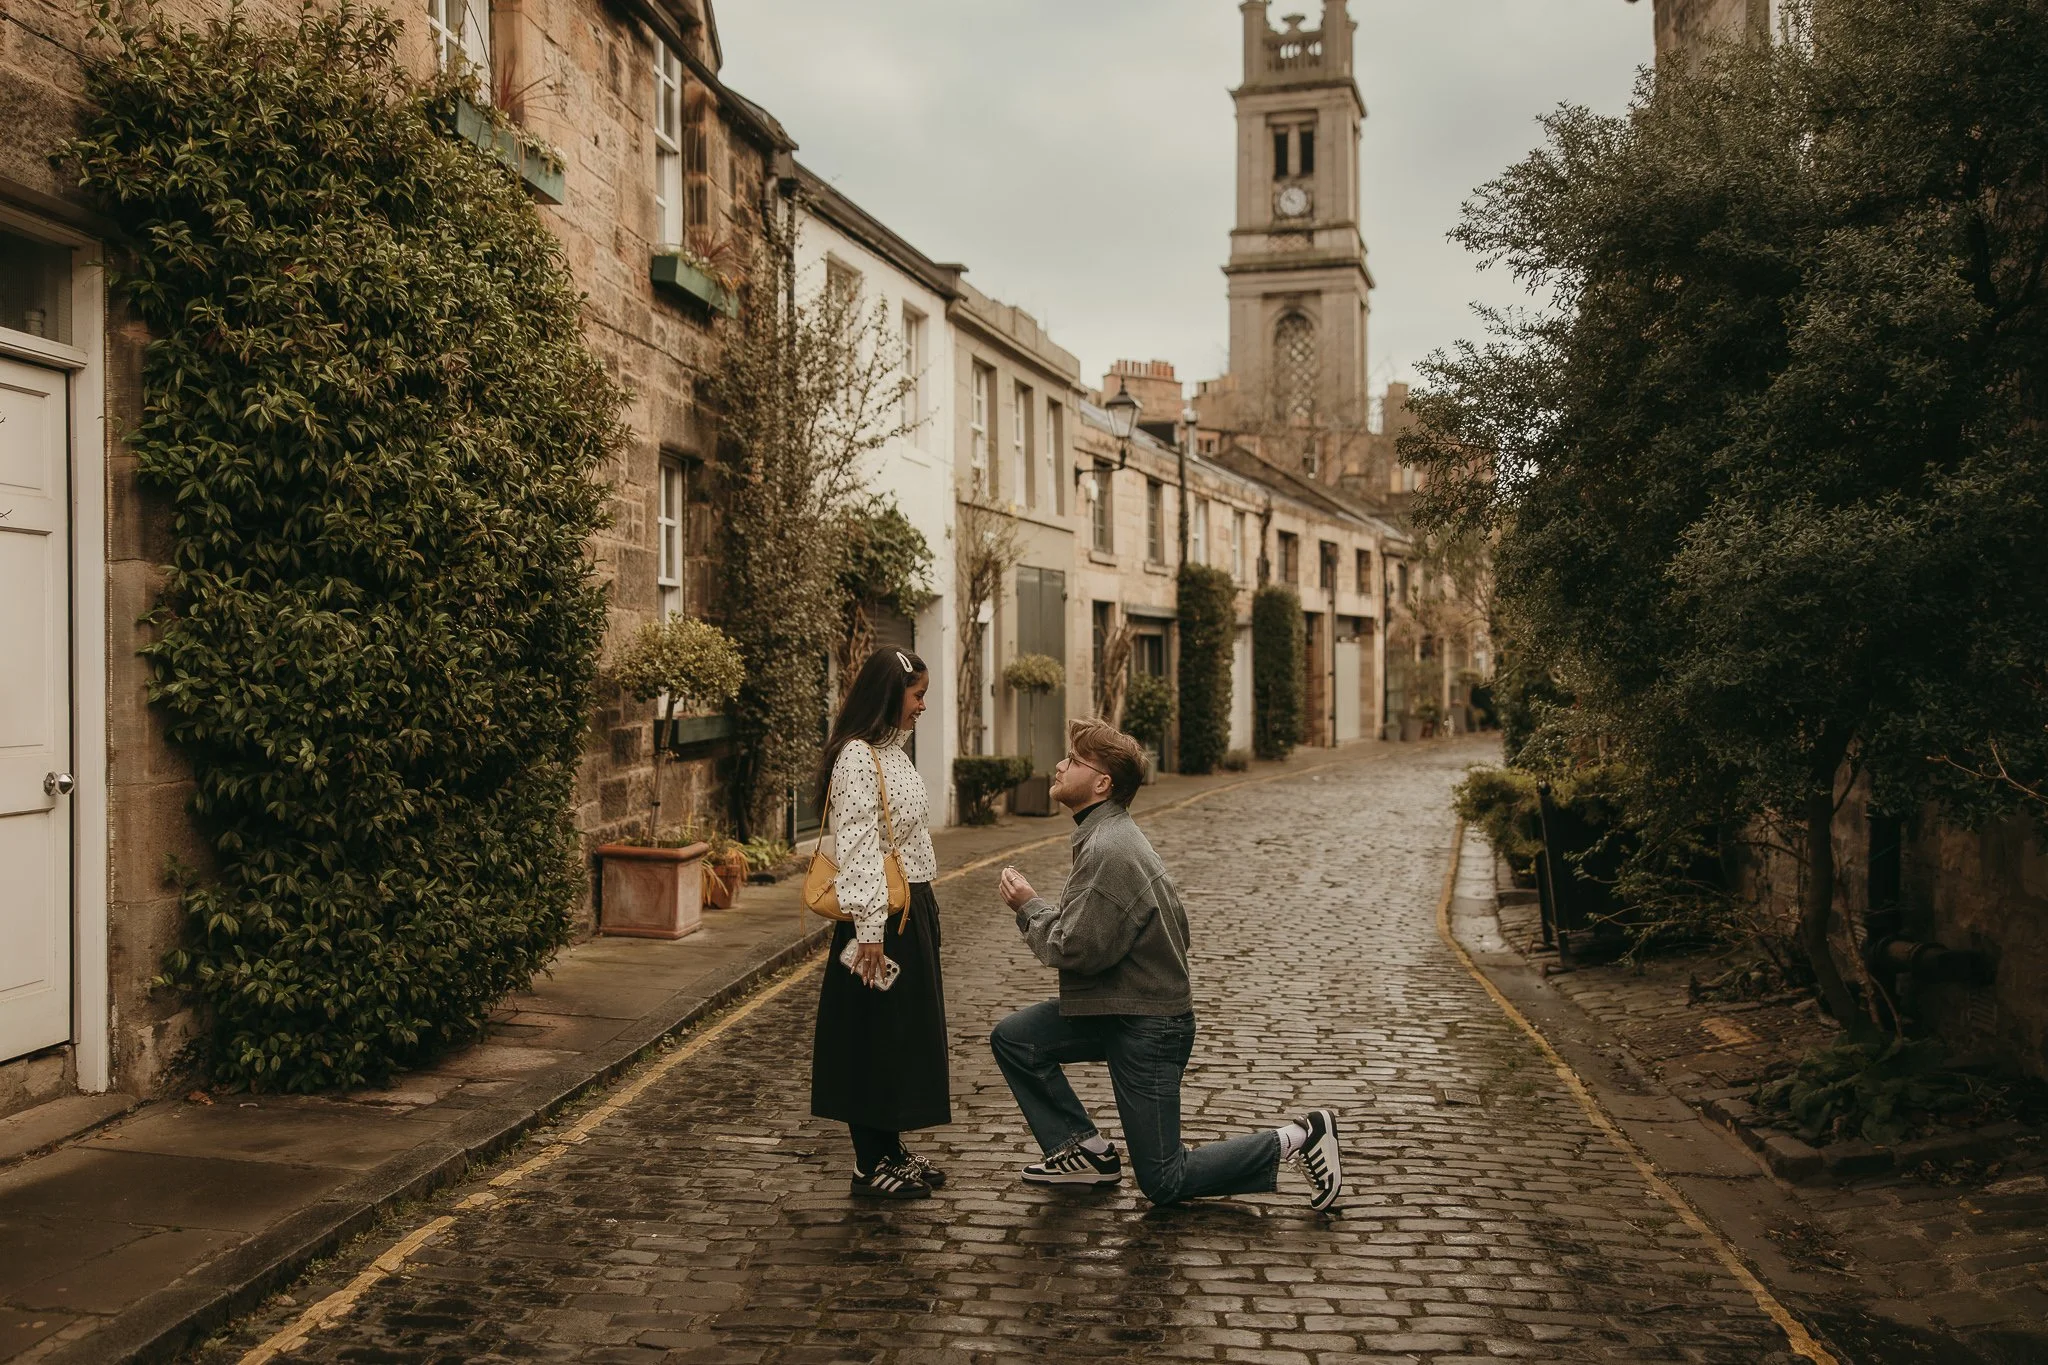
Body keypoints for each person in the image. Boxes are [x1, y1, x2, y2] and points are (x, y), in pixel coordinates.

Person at [990, 718, 1344, 1211]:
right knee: (1017, 1039)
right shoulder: (1104, 836)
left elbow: (1077, 950)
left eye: (1072, 760)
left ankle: (1300, 1137)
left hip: (1150, 1027)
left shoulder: (1111, 848)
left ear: (1101, 783)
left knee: (1164, 1181)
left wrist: (1029, 906)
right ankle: (1084, 1152)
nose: (1059, 764)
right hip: (1117, 1008)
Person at [809, 648, 951, 1199]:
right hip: (880, 918)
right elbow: (860, 844)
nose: (921, 706)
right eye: (916, 695)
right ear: (890, 695)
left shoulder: (893, 751)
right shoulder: (858, 758)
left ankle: (891, 1149)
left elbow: (907, 833)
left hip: (909, 907)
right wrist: (869, 930)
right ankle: (869, 1164)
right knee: (871, 1034)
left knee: (899, 1033)